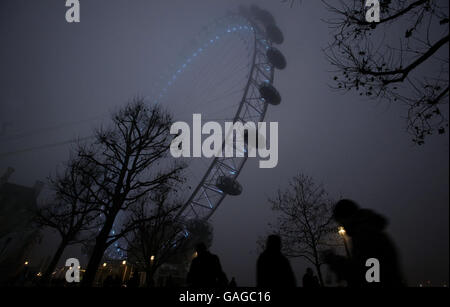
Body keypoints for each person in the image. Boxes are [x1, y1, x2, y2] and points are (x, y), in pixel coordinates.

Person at [324, 199, 404, 287]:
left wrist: (336, 262)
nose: (342, 226)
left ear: (347, 217)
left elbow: (367, 275)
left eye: (341, 222)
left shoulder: (366, 234)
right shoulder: (368, 231)